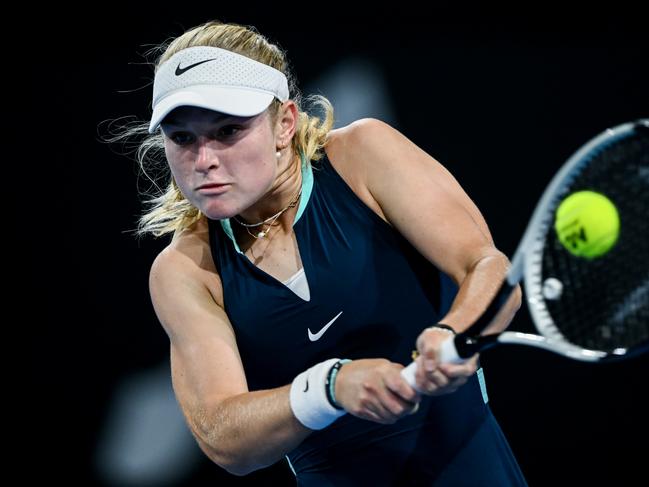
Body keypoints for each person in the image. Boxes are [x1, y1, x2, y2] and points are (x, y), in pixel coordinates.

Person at [128, 20, 528, 486]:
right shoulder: (184, 271)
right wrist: (331, 387)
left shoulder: (362, 154)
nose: (204, 161)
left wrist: (456, 334)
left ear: (285, 125)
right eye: (182, 138)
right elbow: (224, 437)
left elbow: (487, 268)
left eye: (228, 130)